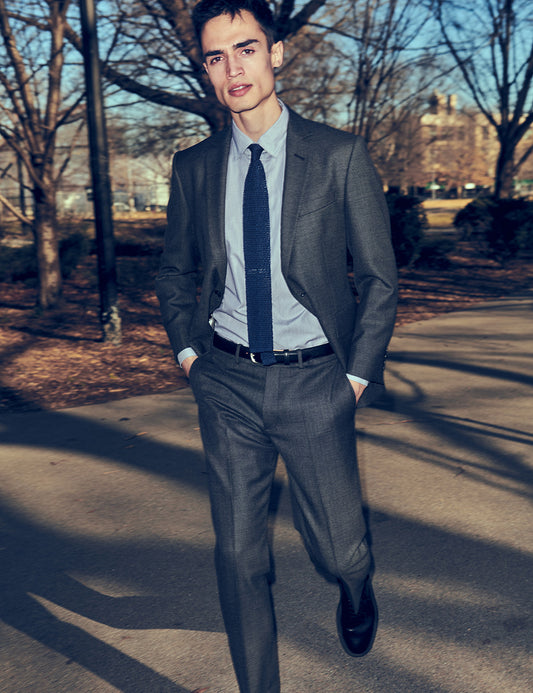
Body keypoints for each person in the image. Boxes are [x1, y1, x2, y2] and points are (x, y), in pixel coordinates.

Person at [156, 1, 398, 691]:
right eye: (214, 56)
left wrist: (352, 379)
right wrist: (189, 356)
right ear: (204, 70)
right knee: (238, 555)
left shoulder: (337, 155)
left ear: (277, 53)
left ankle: (356, 586)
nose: (232, 68)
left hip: (315, 381)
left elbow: (379, 279)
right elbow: (174, 272)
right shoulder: (194, 167)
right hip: (226, 381)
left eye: (246, 48)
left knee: (336, 547)